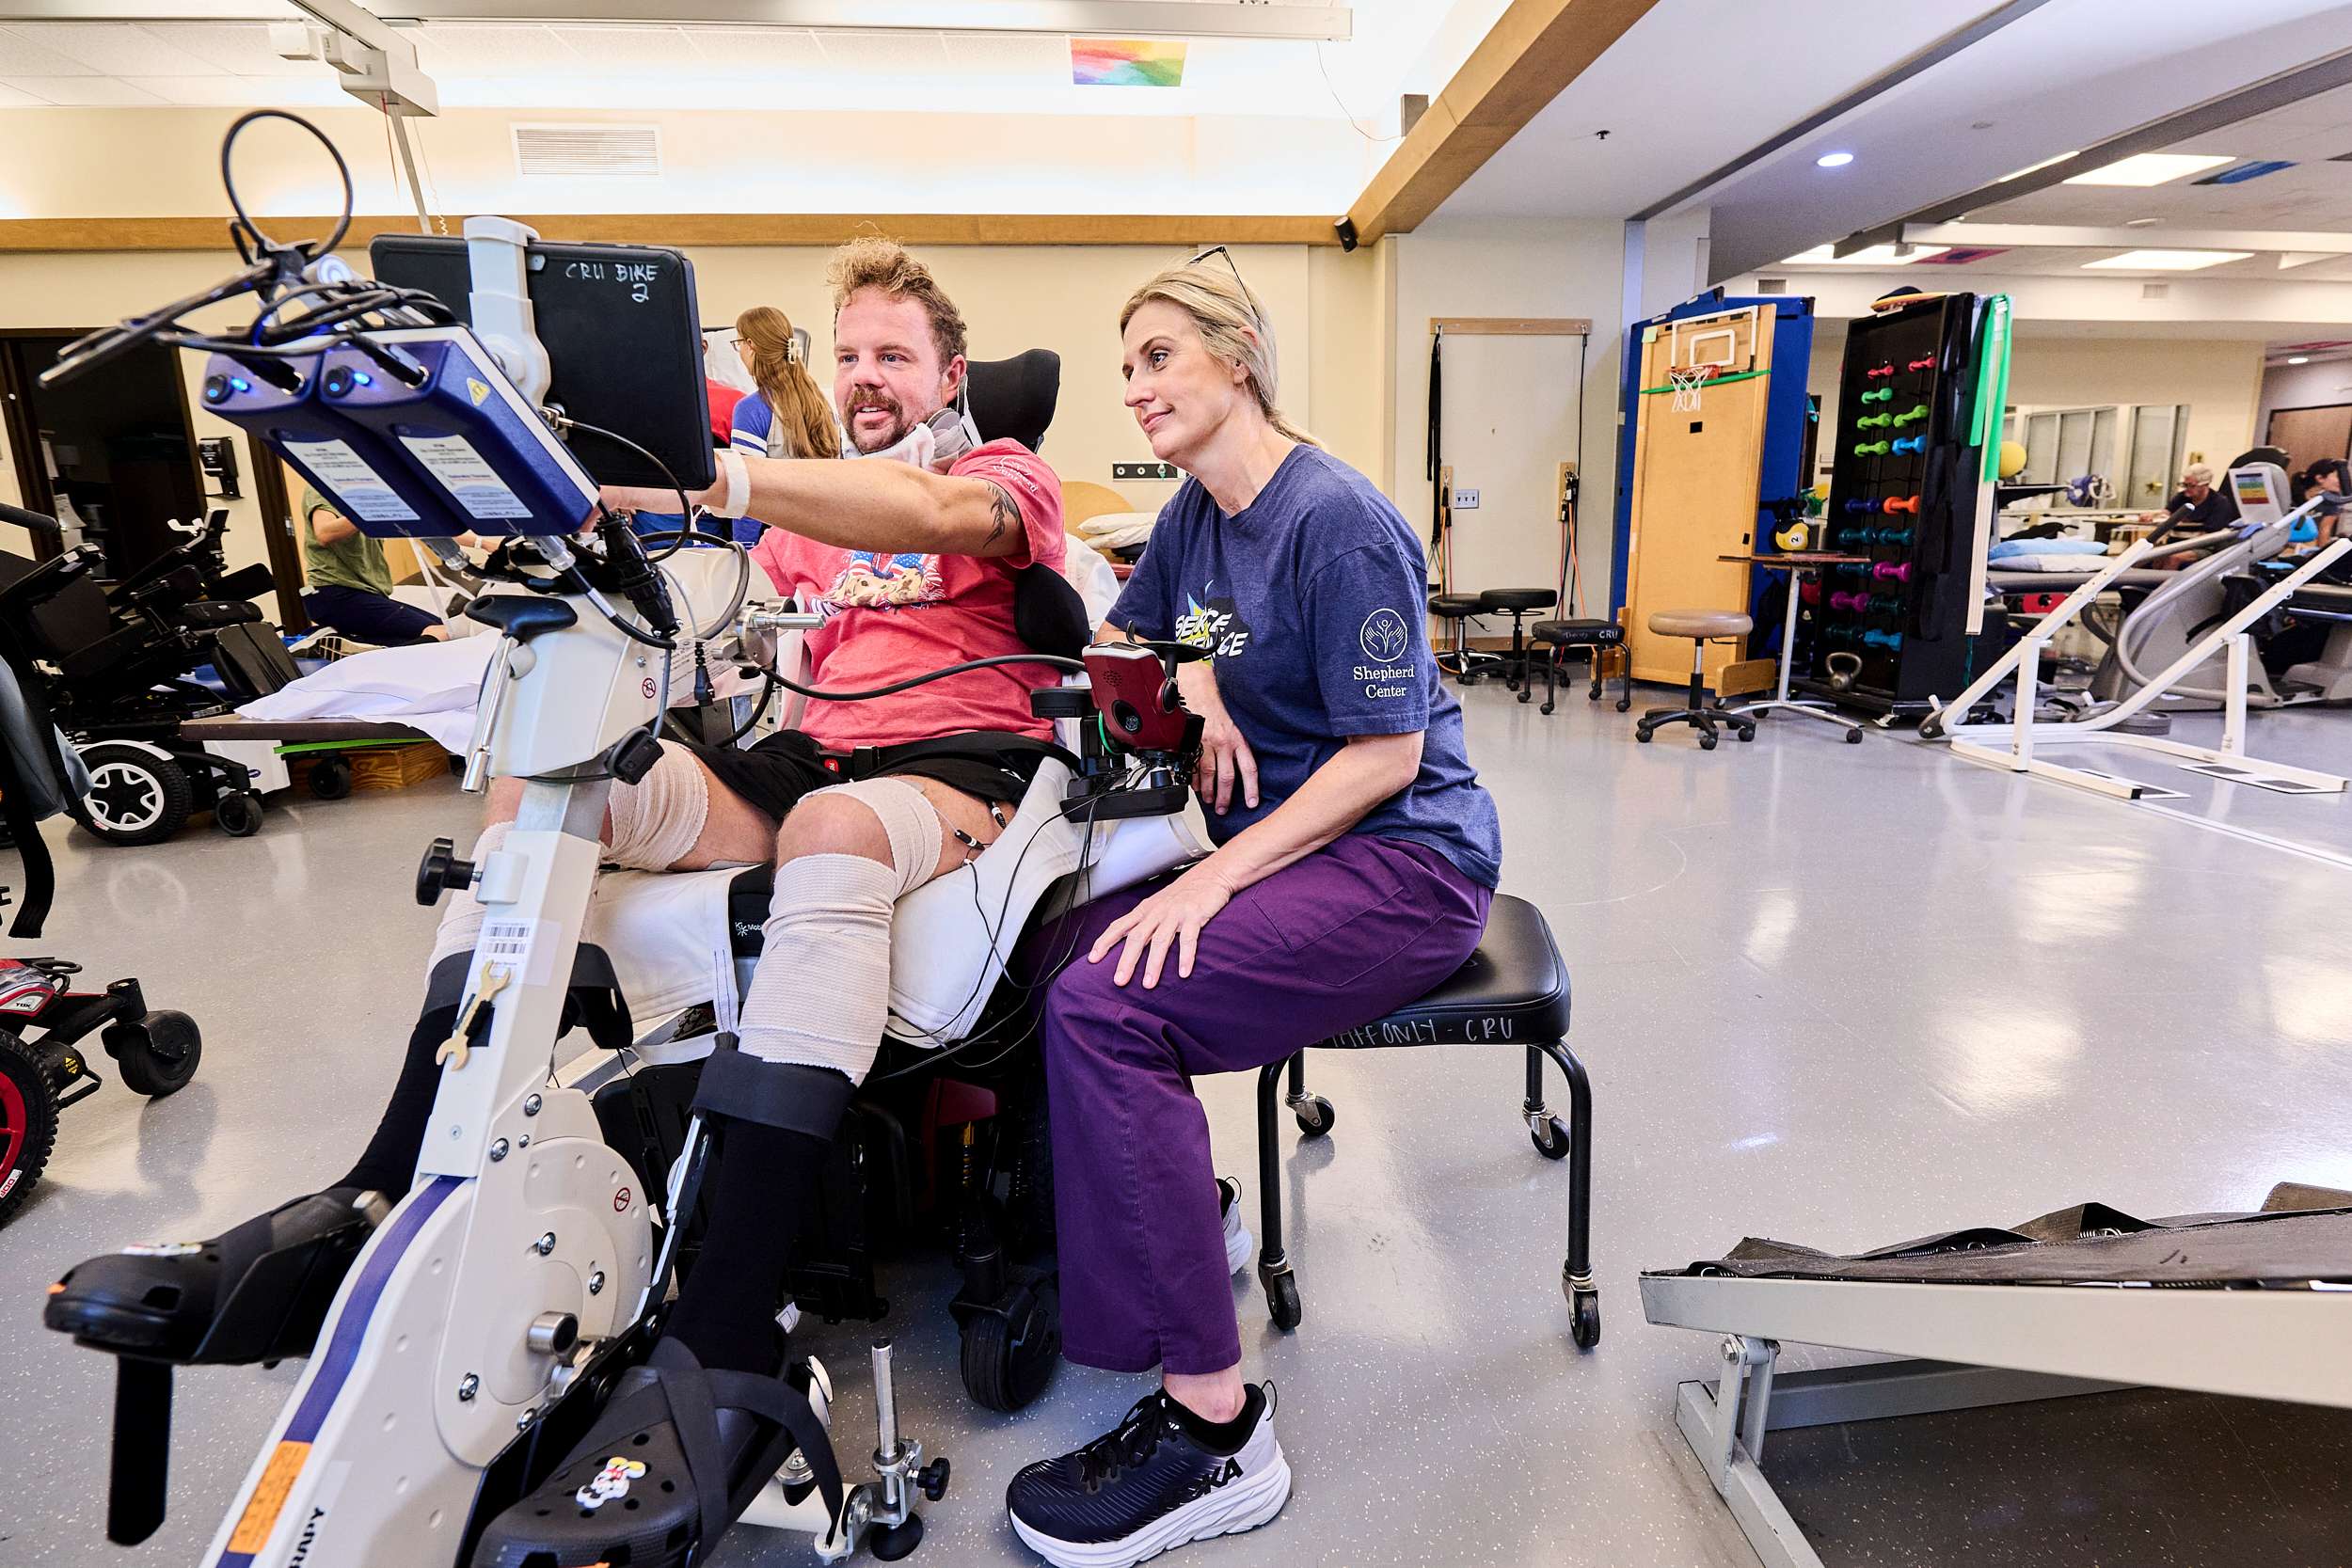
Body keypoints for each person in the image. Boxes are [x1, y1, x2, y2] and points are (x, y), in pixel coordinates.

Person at [49, 236, 1073, 1567]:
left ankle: (728, 1310)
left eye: (897, 354)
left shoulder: (1005, 474)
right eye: (851, 353)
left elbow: (933, 519)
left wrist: (715, 477)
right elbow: (711, 622)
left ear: (950, 372)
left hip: (960, 760)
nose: (868, 375)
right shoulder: (796, 530)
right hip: (807, 754)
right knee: (550, 771)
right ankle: (380, 1189)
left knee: (830, 829)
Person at [1002, 254, 1502, 1568]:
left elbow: (1386, 755)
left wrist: (1214, 874)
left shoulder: (1336, 521)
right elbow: (1135, 635)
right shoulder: (1196, 513)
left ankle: (1217, 1431)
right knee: (1049, 953)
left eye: (1160, 356)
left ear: (1239, 359)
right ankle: (1186, 1211)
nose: (1135, 384)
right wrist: (1205, 689)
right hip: (1295, 845)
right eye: (1127, 365)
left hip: (1407, 863)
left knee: (1110, 1005)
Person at [724, 304, 842, 546]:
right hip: (824, 537)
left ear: (751, 346)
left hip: (778, 543)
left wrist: (745, 550)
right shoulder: (822, 403)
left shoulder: (751, 409)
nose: (739, 351)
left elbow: (748, 490)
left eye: (739, 344)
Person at [296, 485, 473, 643]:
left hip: (368, 595)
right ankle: (335, 642)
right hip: (335, 594)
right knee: (440, 633)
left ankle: (355, 644)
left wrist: (483, 543)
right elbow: (325, 533)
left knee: (446, 630)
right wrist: (372, 506)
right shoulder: (323, 489)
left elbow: (427, 530)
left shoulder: (373, 496)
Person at [2140, 463, 2239, 533]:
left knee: (2172, 556)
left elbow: (2210, 533)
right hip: (2176, 541)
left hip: (2201, 544)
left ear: (2205, 485)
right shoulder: (2182, 497)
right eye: (2184, 485)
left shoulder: (2220, 503)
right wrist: (2152, 516)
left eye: (2191, 485)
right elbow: (2167, 512)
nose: (2186, 489)